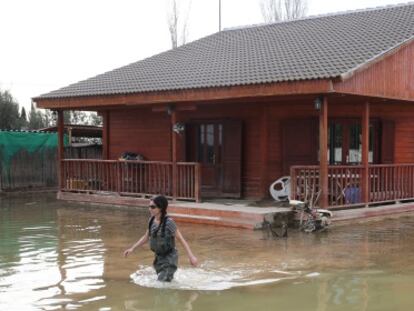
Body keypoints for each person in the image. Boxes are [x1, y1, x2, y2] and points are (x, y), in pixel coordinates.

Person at [124, 195, 198, 282]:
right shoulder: (151, 220)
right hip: (158, 258)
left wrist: (191, 256)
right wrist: (132, 248)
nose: (150, 209)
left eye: (153, 207)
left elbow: (181, 239)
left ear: (161, 208)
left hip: (170, 258)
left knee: (162, 282)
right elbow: (146, 237)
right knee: (165, 281)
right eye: (149, 206)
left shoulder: (169, 222)